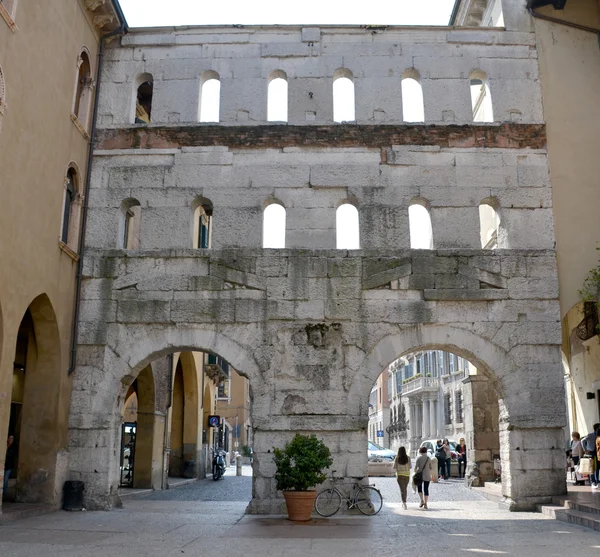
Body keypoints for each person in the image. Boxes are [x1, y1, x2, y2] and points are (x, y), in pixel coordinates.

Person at [582, 423, 600, 488]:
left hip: (597, 453)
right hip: (591, 452)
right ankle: (593, 482)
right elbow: (582, 441)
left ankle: (597, 481)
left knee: (597, 467)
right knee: (591, 467)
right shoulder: (590, 435)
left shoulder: (599, 435)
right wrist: (585, 449)